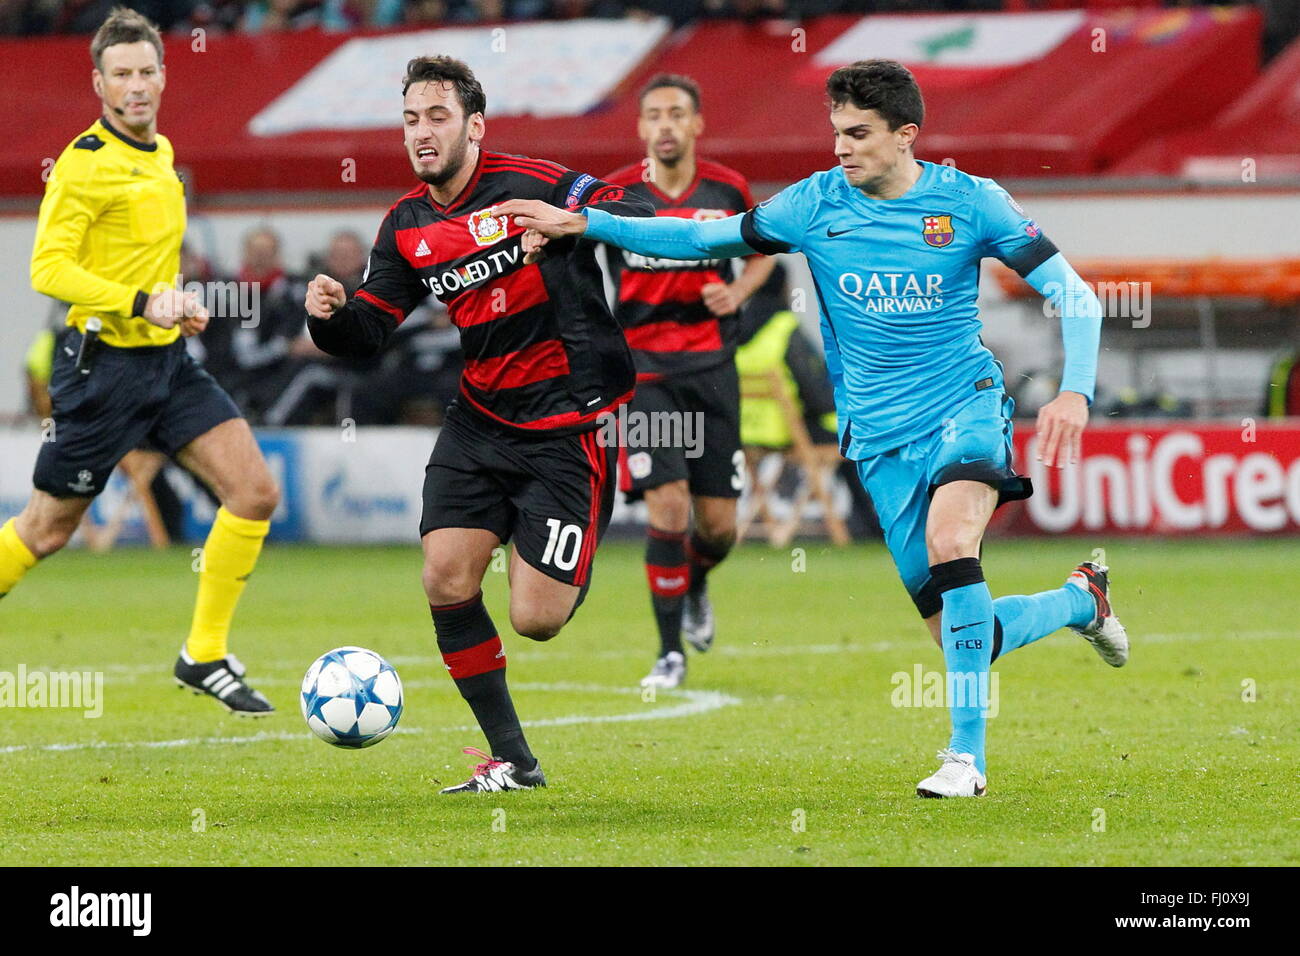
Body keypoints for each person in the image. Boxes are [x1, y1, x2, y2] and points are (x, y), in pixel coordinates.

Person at [497, 58, 1129, 799]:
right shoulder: (814, 205)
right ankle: (1082, 600)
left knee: (953, 543)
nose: (840, 149)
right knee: (968, 634)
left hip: (964, 406)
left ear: (906, 136)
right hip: (878, 437)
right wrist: (591, 222)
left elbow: (1076, 296)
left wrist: (1074, 392)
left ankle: (965, 758)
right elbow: (706, 238)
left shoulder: (971, 204)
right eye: (835, 132)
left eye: (857, 134)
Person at [303, 55, 655, 793]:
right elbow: (369, 333)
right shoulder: (406, 224)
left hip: (569, 424)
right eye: (410, 121)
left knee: (537, 619)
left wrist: (578, 221)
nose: (422, 133)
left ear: (475, 125)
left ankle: (570, 553)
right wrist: (330, 319)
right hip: (481, 421)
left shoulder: (533, 182)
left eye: (437, 117)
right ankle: (515, 761)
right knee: (444, 575)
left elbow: (640, 207)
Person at [2, 7, 278, 716]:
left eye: (145, 71)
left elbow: (147, 268)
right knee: (47, 530)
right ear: (99, 83)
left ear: (163, 74)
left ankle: (204, 654)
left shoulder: (161, 155)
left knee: (253, 492)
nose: (135, 86)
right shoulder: (83, 164)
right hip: (100, 373)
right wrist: (136, 300)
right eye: (120, 74)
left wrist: (176, 301)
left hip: (168, 362)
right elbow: (48, 269)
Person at [600, 74, 775, 689]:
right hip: (644, 371)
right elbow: (576, 255)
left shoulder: (727, 188)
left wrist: (738, 291)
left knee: (720, 528)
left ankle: (696, 581)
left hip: (711, 370)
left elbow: (765, 248)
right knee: (668, 507)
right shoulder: (617, 192)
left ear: (697, 124)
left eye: (678, 113)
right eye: (654, 115)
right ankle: (668, 652)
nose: (666, 124)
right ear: (641, 127)